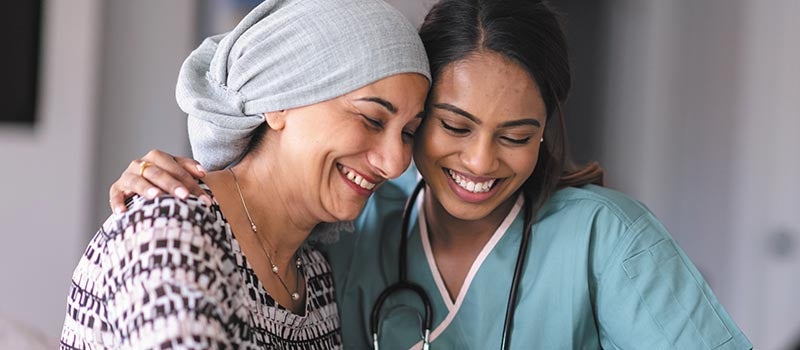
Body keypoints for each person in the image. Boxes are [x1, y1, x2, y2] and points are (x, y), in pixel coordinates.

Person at [107, 0, 752, 349]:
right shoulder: (350, 229)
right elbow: (255, 207)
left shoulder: (609, 243)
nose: (479, 162)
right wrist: (168, 190)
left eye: (517, 136)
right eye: (453, 126)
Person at [59, 0, 430, 348]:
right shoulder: (170, 234)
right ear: (279, 101)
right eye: (371, 119)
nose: (396, 161)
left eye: (409, 133)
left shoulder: (313, 272)